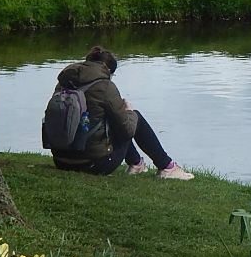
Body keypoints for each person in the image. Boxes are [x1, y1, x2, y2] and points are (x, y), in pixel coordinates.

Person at [48, 45, 194, 180]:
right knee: (134, 117)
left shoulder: (64, 82)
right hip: (93, 164)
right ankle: (167, 167)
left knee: (112, 119)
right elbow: (127, 130)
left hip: (61, 160)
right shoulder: (105, 87)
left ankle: (137, 164)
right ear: (108, 70)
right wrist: (128, 111)